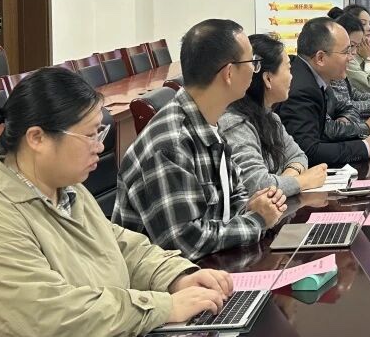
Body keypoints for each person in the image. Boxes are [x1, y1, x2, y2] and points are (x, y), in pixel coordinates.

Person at [0, 68, 235, 335]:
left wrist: (176, 277)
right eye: (90, 136)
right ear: (37, 138)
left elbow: (119, 246)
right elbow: (50, 315)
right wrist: (163, 307)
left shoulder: (66, 188)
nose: (100, 147)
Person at [114, 19, 287, 260]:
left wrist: (253, 206)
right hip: (176, 278)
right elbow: (186, 242)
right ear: (229, 73)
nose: (255, 70)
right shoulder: (171, 144)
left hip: (213, 266)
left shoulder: (209, 121)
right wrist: (257, 220)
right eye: (252, 63)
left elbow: (232, 197)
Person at [220, 33, 330, 195]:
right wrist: (302, 181)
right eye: (288, 69)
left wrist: (287, 179)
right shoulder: (235, 123)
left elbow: (299, 156)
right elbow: (259, 186)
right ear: (268, 79)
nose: (292, 77)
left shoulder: (271, 117)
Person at [277, 17, 370, 166]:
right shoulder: (302, 90)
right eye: (346, 52)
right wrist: (365, 147)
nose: (351, 57)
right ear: (320, 58)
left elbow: (345, 107)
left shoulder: (316, 78)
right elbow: (308, 151)